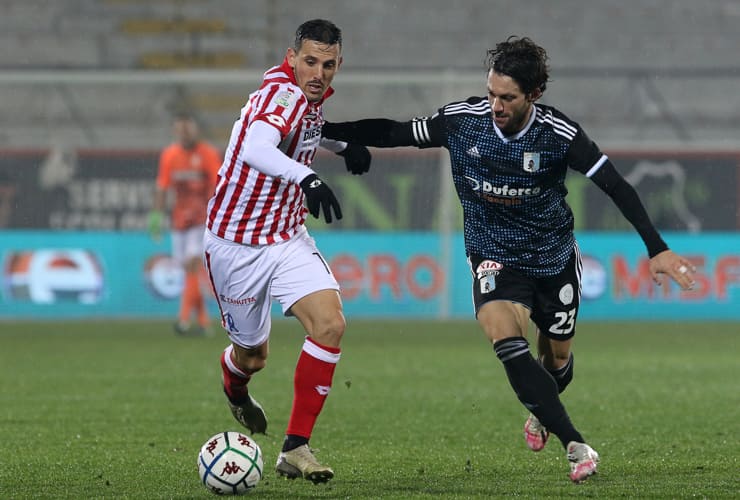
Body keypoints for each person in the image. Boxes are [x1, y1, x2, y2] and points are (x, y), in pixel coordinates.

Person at [322, 36, 697, 484]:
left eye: (508, 97)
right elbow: (393, 131)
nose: (496, 105)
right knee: (506, 341)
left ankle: (543, 410)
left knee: (556, 361)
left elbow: (615, 185)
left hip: (553, 257)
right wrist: (328, 131)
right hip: (493, 255)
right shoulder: (464, 122)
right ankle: (575, 444)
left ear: (533, 95)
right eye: (491, 94)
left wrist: (656, 248)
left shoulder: (559, 135)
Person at [203, 19, 371, 485]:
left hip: (285, 236)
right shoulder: (285, 93)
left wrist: (341, 146)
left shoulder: (308, 99)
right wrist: (307, 177)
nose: (318, 72)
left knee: (331, 324)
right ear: (292, 56)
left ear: (339, 64)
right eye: (310, 61)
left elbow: (306, 128)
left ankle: (295, 446)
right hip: (235, 245)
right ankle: (233, 383)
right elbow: (259, 146)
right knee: (253, 357)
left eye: (329, 64)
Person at [148, 113, 221, 336]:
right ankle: (204, 322)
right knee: (188, 270)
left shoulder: (207, 154)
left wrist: (216, 215)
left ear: (195, 130)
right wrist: (157, 216)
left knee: (192, 263)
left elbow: (219, 184)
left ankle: (182, 320)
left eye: (188, 128)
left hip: (202, 219)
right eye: (180, 129)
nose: (185, 133)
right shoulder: (170, 155)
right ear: (175, 131)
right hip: (179, 221)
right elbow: (162, 187)